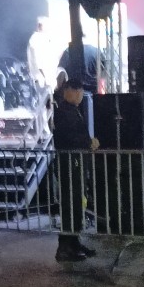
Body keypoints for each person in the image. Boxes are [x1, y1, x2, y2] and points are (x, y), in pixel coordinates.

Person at [52, 78, 100, 262]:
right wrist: (88, 142)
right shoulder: (64, 111)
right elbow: (69, 137)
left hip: (75, 163)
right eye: (78, 92)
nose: (80, 96)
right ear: (69, 91)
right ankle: (65, 246)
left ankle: (73, 242)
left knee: (77, 204)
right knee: (70, 204)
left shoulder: (72, 110)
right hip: (70, 164)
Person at [26, 16, 60, 92]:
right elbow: (39, 62)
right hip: (43, 81)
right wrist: (46, 80)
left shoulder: (41, 38)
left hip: (45, 80)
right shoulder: (36, 39)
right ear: (40, 26)